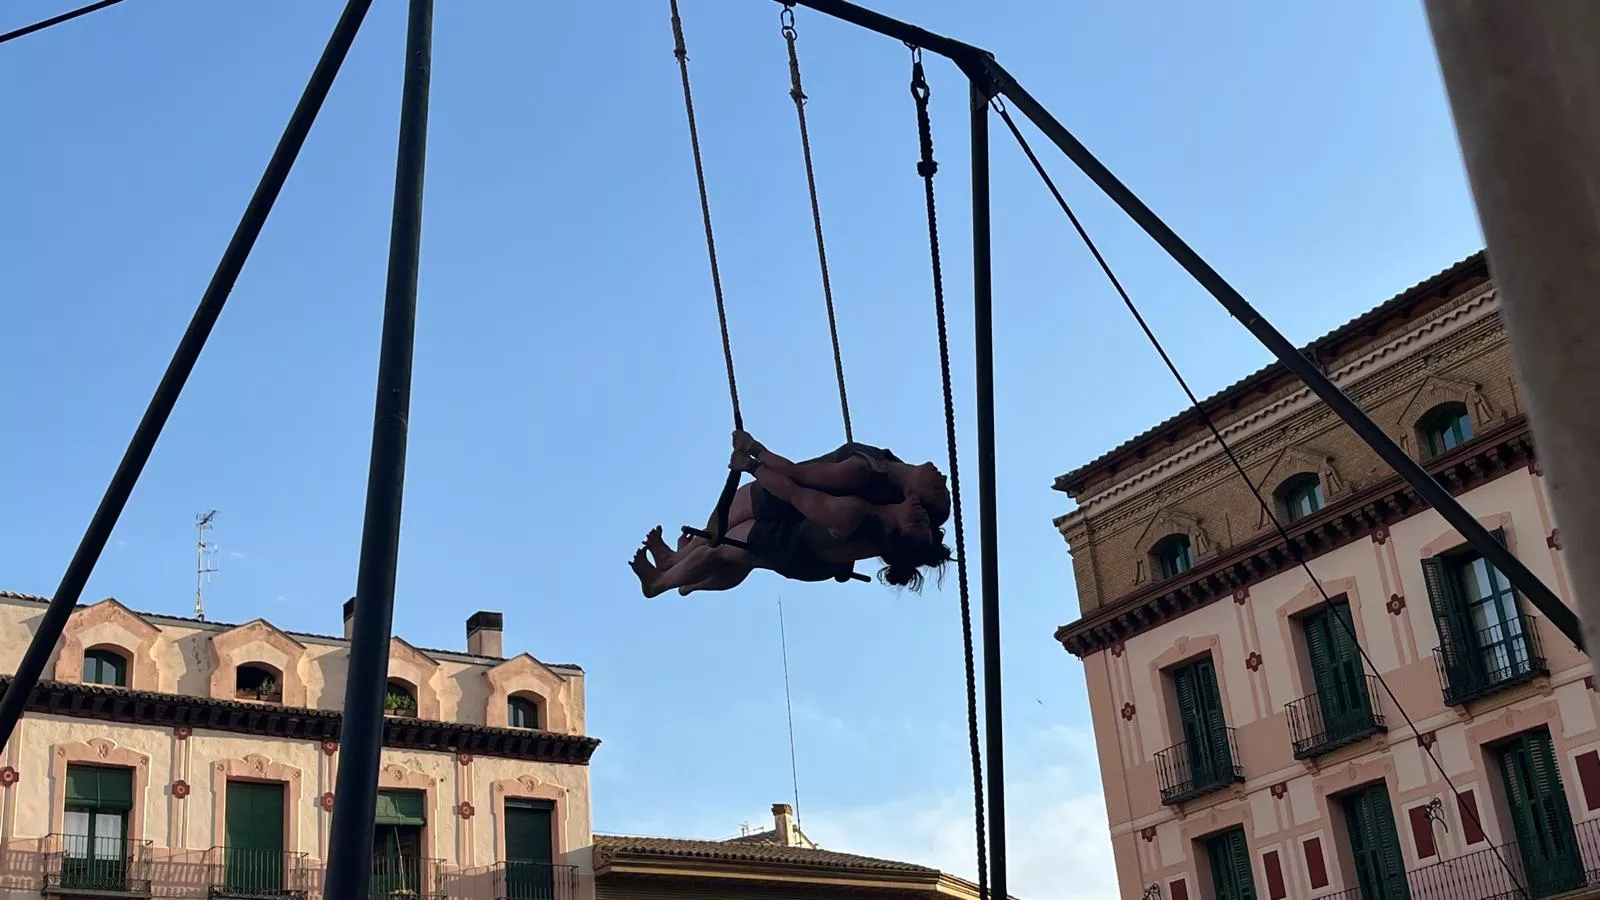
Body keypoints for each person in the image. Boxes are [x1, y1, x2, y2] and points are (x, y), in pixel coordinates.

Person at [630, 438, 953, 598]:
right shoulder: (889, 508)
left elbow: (795, 485)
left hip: (794, 540)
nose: (943, 483)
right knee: (732, 550)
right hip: (807, 541)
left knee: (725, 545)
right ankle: (681, 570)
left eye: (921, 515)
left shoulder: (859, 497)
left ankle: (664, 579)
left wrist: (753, 457)